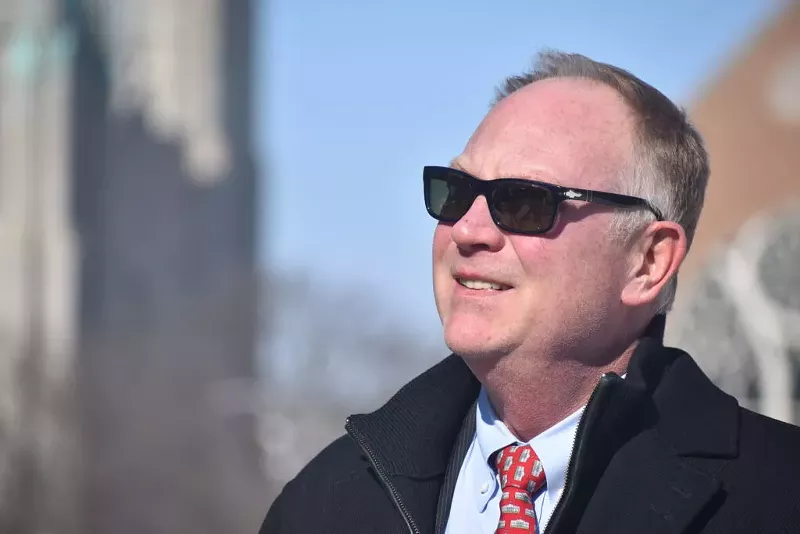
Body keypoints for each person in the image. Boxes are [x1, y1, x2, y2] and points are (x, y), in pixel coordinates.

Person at [260, 51, 800, 534]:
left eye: (524, 202)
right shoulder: (326, 503)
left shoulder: (777, 496)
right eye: (456, 193)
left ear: (649, 261)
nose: (468, 231)